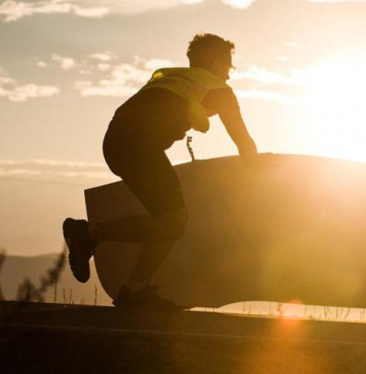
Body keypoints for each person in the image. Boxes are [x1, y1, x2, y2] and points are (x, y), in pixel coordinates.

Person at [63, 33, 261, 308]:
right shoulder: (219, 90)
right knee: (172, 221)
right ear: (217, 62)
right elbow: (244, 143)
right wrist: (265, 169)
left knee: (167, 218)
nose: (230, 74)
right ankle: (90, 236)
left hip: (114, 142)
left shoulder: (177, 79)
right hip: (139, 146)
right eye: (229, 66)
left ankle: (134, 285)